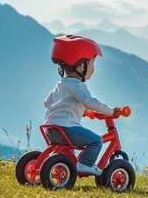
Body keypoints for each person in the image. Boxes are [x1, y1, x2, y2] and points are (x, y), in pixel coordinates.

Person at [43, 34, 119, 176]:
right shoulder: (78, 86)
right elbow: (90, 103)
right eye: (92, 64)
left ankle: (65, 170)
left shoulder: (61, 84)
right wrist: (110, 111)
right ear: (81, 65)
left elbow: (47, 103)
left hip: (51, 130)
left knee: (68, 155)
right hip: (66, 129)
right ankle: (85, 165)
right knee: (96, 140)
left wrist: (79, 110)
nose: (93, 68)